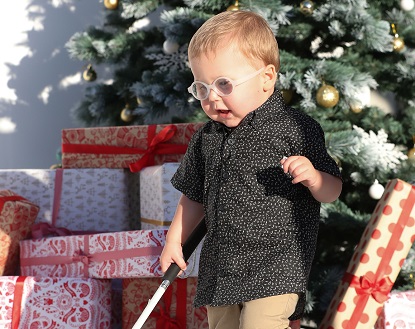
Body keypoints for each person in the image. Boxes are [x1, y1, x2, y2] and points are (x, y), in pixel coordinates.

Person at [160, 10, 342, 329]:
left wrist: (314, 177)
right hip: (222, 267)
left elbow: (333, 190)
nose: (212, 97)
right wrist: (175, 239)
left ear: (266, 78)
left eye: (224, 84)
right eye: (201, 88)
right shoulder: (207, 138)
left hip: (276, 265)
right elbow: (193, 196)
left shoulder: (295, 129)